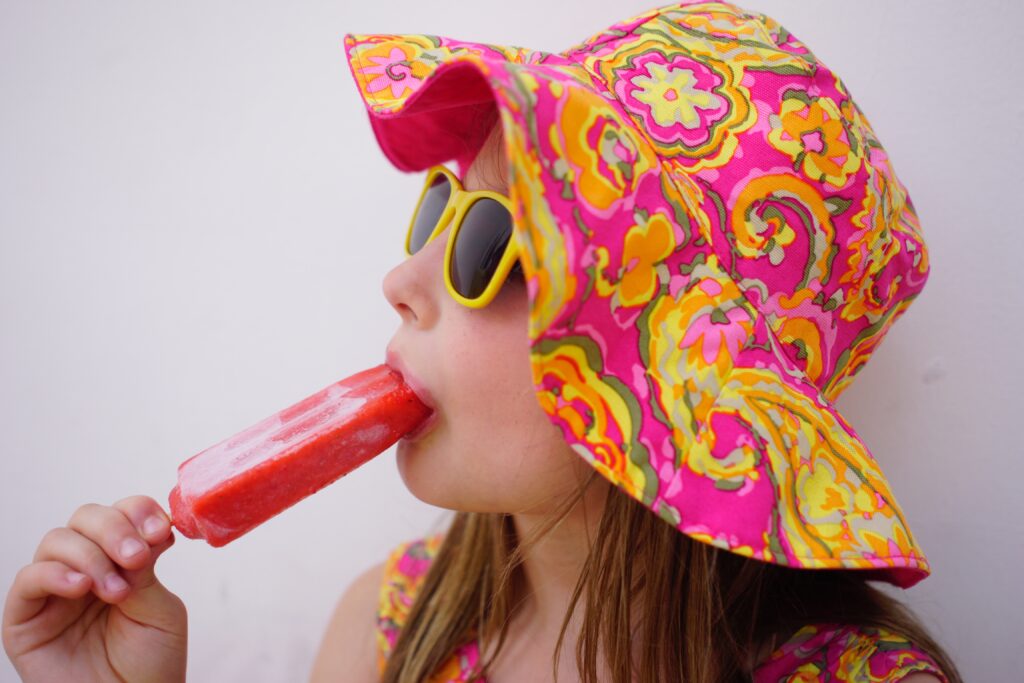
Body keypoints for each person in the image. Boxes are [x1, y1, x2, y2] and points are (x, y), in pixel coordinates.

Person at [3, 2, 963, 681]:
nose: (401, 280)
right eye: (436, 210)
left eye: (492, 245)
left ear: (676, 375)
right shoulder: (384, 632)